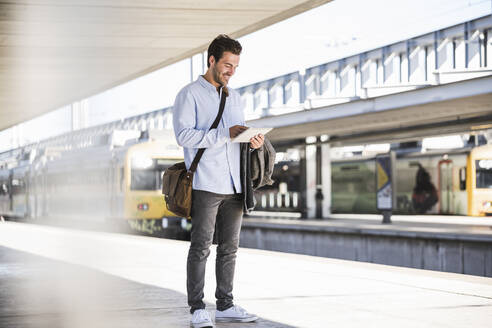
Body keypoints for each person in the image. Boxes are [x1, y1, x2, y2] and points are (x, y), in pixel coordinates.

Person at [173, 34, 263, 328]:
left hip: (235, 184)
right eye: (227, 64)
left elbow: (236, 137)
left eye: (235, 66)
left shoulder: (235, 97)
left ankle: (225, 305)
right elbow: (183, 136)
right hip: (206, 182)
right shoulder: (189, 94)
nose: (231, 71)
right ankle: (197, 307)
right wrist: (224, 134)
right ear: (211, 60)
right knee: (200, 247)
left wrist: (252, 141)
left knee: (229, 248)